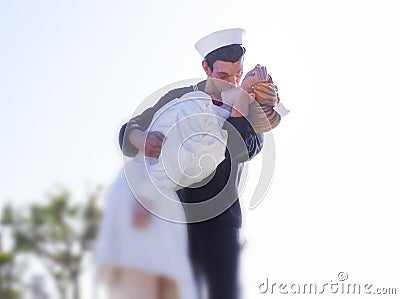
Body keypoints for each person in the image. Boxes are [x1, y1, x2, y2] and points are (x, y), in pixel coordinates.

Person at [119, 28, 280, 299]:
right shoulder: (179, 97)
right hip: (171, 218)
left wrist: (242, 97)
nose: (232, 81)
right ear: (206, 67)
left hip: (221, 222)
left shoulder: (249, 107)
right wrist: (142, 139)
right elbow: (128, 129)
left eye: (238, 75)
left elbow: (242, 148)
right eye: (223, 75)